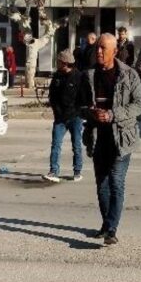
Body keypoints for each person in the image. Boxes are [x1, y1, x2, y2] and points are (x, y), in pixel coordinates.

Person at [80, 33, 141, 246]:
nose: (98, 51)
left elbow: (140, 104)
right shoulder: (89, 76)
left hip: (122, 138)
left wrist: (112, 114)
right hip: (98, 138)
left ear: (114, 51)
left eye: (103, 48)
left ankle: (111, 229)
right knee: (102, 185)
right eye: (97, 47)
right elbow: (80, 106)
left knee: (116, 183)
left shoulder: (129, 75)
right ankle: (107, 223)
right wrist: (91, 113)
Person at [43, 49, 84, 183]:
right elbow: (52, 96)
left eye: (59, 61)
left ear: (65, 63)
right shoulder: (57, 76)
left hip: (75, 117)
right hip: (60, 118)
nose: (57, 64)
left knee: (76, 145)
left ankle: (77, 171)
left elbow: (84, 97)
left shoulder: (78, 76)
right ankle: (53, 171)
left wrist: (79, 111)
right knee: (56, 144)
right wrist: (56, 110)